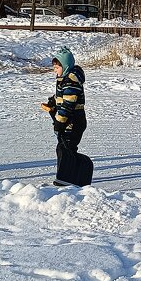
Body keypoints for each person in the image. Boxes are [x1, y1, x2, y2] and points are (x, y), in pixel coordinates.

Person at [48, 47, 87, 186]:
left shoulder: (71, 80)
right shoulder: (65, 78)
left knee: (66, 147)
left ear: (65, 67)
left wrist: (60, 121)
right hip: (68, 120)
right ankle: (66, 174)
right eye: (54, 67)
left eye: (57, 67)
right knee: (64, 147)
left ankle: (67, 177)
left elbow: (68, 104)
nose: (55, 70)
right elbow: (63, 96)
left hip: (74, 120)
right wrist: (54, 100)